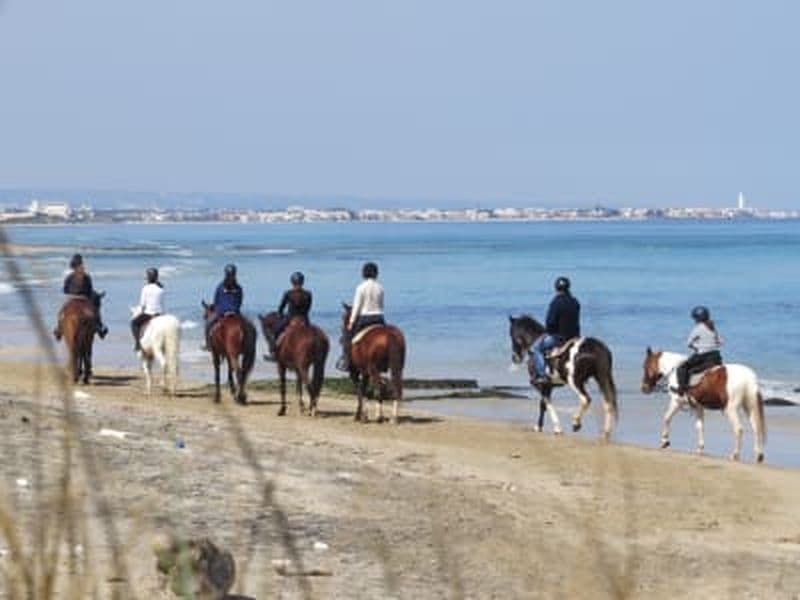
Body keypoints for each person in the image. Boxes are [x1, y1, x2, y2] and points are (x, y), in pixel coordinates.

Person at [531, 276, 580, 385]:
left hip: (559, 337)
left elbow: (550, 322)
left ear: (556, 288)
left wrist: (548, 332)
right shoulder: (575, 302)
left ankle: (542, 375)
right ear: (568, 288)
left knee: (536, 349)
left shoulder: (556, 302)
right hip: (574, 337)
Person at [336, 261, 385, 371]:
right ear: (376, 273)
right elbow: (381, 306)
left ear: (363, 273)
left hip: (365, 319)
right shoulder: (380, 287)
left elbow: (357, 307)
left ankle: (346, 361)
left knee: (347, 338)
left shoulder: (360, 288)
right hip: (379, 318)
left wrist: (351, 323)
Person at [54, 253, 108, 340]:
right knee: (95, 314)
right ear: (81, 264)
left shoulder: (69, 276)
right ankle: (100, 328)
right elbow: (89, 291)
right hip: (83, 299)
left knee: (61, 314)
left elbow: (65, 290)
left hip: (71, 299)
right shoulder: (86, 276)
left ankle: (58, 330)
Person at [674, 306, 723, 396]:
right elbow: (720, 342)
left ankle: (682, 390)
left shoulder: (698, 328)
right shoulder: (712, 327)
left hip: (703, 357)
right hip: (716, 357)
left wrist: (697, 347)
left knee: (682, 368)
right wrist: (710, 345)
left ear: (697, 318)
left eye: (694, 318)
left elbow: (689, 343)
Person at [264, 271, 313, 361]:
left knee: (275, 330)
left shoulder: (288, 293)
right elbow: (308, 308)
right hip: (304, 319)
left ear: (292, 282)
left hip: (291, 318)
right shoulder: (308, 294)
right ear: (302, 282)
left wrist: (280, 314)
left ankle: (274, 353)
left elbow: (281, 308)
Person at [204, 264, 243, 350]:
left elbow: (216, 300)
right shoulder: (238, 287)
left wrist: (219, 309)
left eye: (231, 275)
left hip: (221, 312)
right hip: (235, 312)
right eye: (229, 275)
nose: (230, 277)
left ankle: (208, 345)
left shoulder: (220, 286)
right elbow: (240, 301)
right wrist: (235, 309)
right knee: (249, 325)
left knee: (208, 324)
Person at [130, 267, 164, 352]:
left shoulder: (145, 288)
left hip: (149, 314)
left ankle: (138, 344)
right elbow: (162, 304)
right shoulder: (161, 289)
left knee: (133, 323)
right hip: (159, 314)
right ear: (156, 277)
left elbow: (142, 304)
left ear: (148, 277)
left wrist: (140, 312)